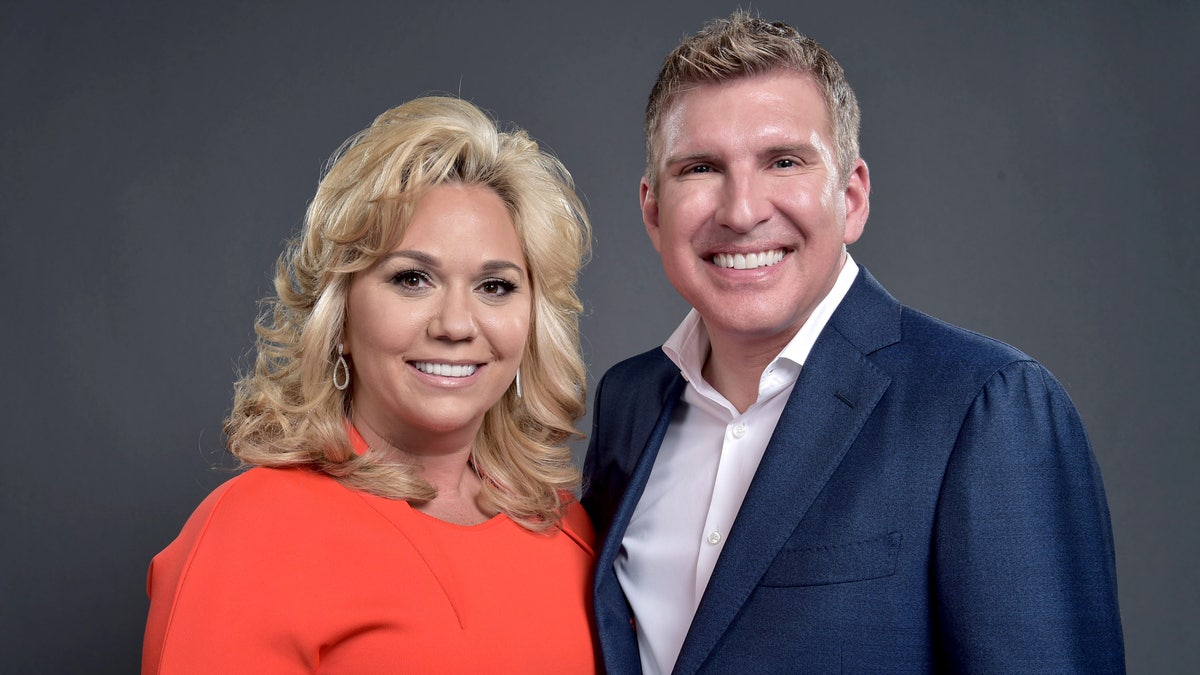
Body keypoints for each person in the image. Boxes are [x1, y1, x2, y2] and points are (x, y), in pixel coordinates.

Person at [582, 11, 1124, 674]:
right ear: (653, 211)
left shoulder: (987, 405)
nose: (742, 209)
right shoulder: (628, 406)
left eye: (784, 161)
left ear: (853, 197)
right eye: (700, 167)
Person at [143, 97, 597, 673]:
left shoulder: (565, 528)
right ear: (340, 317)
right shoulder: (252, 532)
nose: (456, 325)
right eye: (413, 279)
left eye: (496, 286)